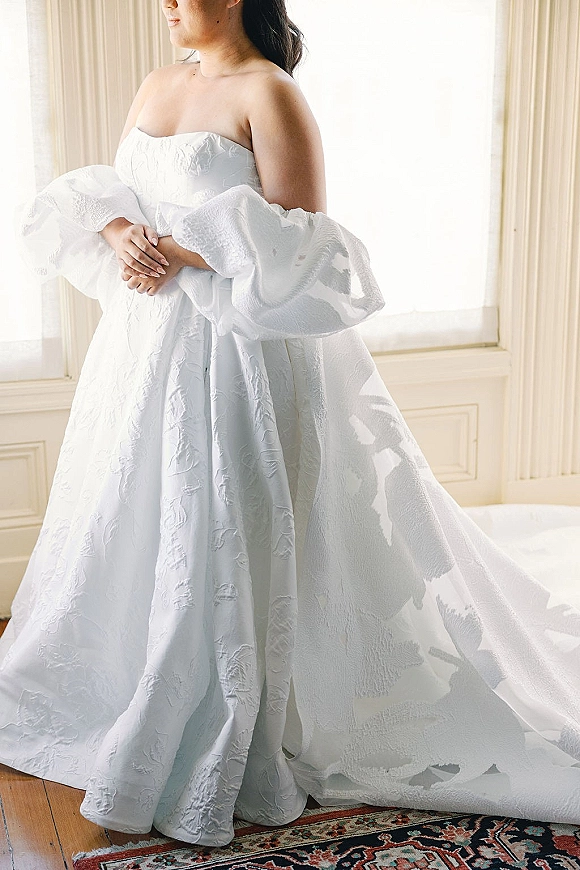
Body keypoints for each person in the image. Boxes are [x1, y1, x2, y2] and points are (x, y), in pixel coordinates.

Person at [1, 0, 579, 849]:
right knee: (137, 515)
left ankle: (228, 709)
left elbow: (306, 241)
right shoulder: (159, 84)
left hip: (237, 353)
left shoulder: (270, 94)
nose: (164, 2)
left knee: (225, 523)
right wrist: (123, 232)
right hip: (143, 348)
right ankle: (125, 685)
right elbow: (119, 197)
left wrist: (180, 249)